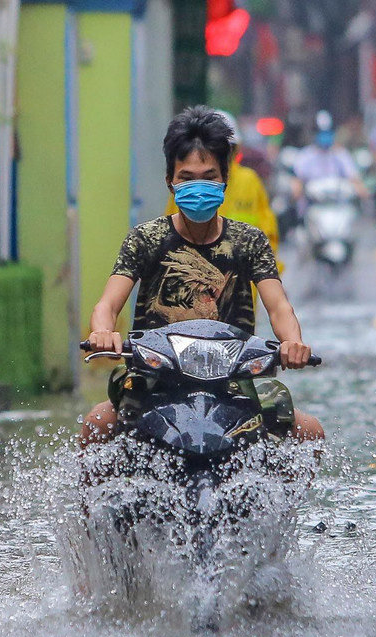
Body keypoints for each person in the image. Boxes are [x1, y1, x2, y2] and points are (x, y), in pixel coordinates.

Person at [82, 106, 323, 446]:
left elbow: (279, 307)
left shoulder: (249, 241)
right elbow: (107, 303)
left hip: (234, 381)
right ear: (171, 181)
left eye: (209, 177)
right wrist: (103, 332)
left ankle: (285, 501)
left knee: (308, 431)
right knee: (98, 422)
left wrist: (292, 343)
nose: (198, 186)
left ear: (225, 177)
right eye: (187, 177)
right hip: (155, 379)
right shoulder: (145, 239)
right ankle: (93, 501)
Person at [165, 109, 283, 272]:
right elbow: (170, 234)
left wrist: (268, 275)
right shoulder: (188, 186)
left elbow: (268, 232)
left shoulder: (249, 181)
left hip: (243, 282)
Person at [291, 110, 369, 202]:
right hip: (314, 205)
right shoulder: (305, 156)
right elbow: (298, 181)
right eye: (321, 133)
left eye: (328, 132)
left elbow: (353, 178)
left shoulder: (341, 154)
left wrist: (363, 192)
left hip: (340, 206)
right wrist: (296, 192)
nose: (325, 136)